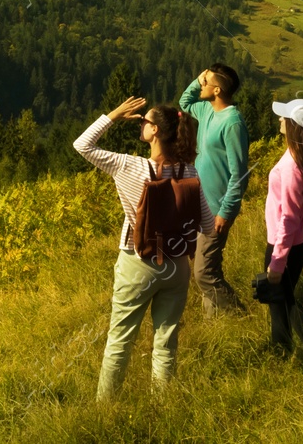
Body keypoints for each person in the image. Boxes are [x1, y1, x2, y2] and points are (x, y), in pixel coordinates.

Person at [75, 95, 215, 399]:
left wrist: (113, 114)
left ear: (155, 132)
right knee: (166, 340)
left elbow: (82, 145)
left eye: (144, 121)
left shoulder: (129, 166)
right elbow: (206, 225)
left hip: (137, 262)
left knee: (120, 340)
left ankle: (105, 407)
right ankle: (163, 403)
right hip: (177, 265)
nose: (141, 123)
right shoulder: (189, 172)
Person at [179, 63, 251, 315]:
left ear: (218, 90)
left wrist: (227, 211)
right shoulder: (208, 110)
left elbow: (239, 173)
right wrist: (198, 79)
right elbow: (184, 102)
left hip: (216, 210)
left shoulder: (232, 123)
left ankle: (239, 314)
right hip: (200, 206)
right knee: (205, 267)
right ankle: (214, 320)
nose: (201, 85)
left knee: (203, 272)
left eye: (205, 82)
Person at [256, 98, 303, 356]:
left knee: (281, 299)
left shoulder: (291, 168)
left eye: (284, 118)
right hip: (300, 240)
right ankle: (288, 349)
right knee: (284, 297)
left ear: (295, 126)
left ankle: (291, 352)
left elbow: (288, 220)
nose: (280, 120)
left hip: (285, 244)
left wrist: (276, 263)